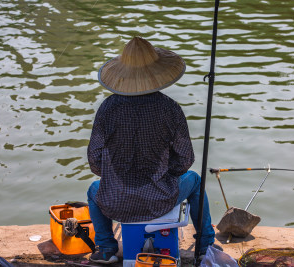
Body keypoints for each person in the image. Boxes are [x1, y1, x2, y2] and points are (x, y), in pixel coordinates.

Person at [86, 36, 215, 264]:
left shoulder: (107, 109)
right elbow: (186, 159)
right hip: (161, 198)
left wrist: (119, 179)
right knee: (195, 181)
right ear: (155, 74)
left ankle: (106, 248)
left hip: (118, 201)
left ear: (123, 75)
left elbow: (95, 161)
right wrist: (165, 175)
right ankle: (205, 247)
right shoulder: (170, 109)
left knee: (93, 191)